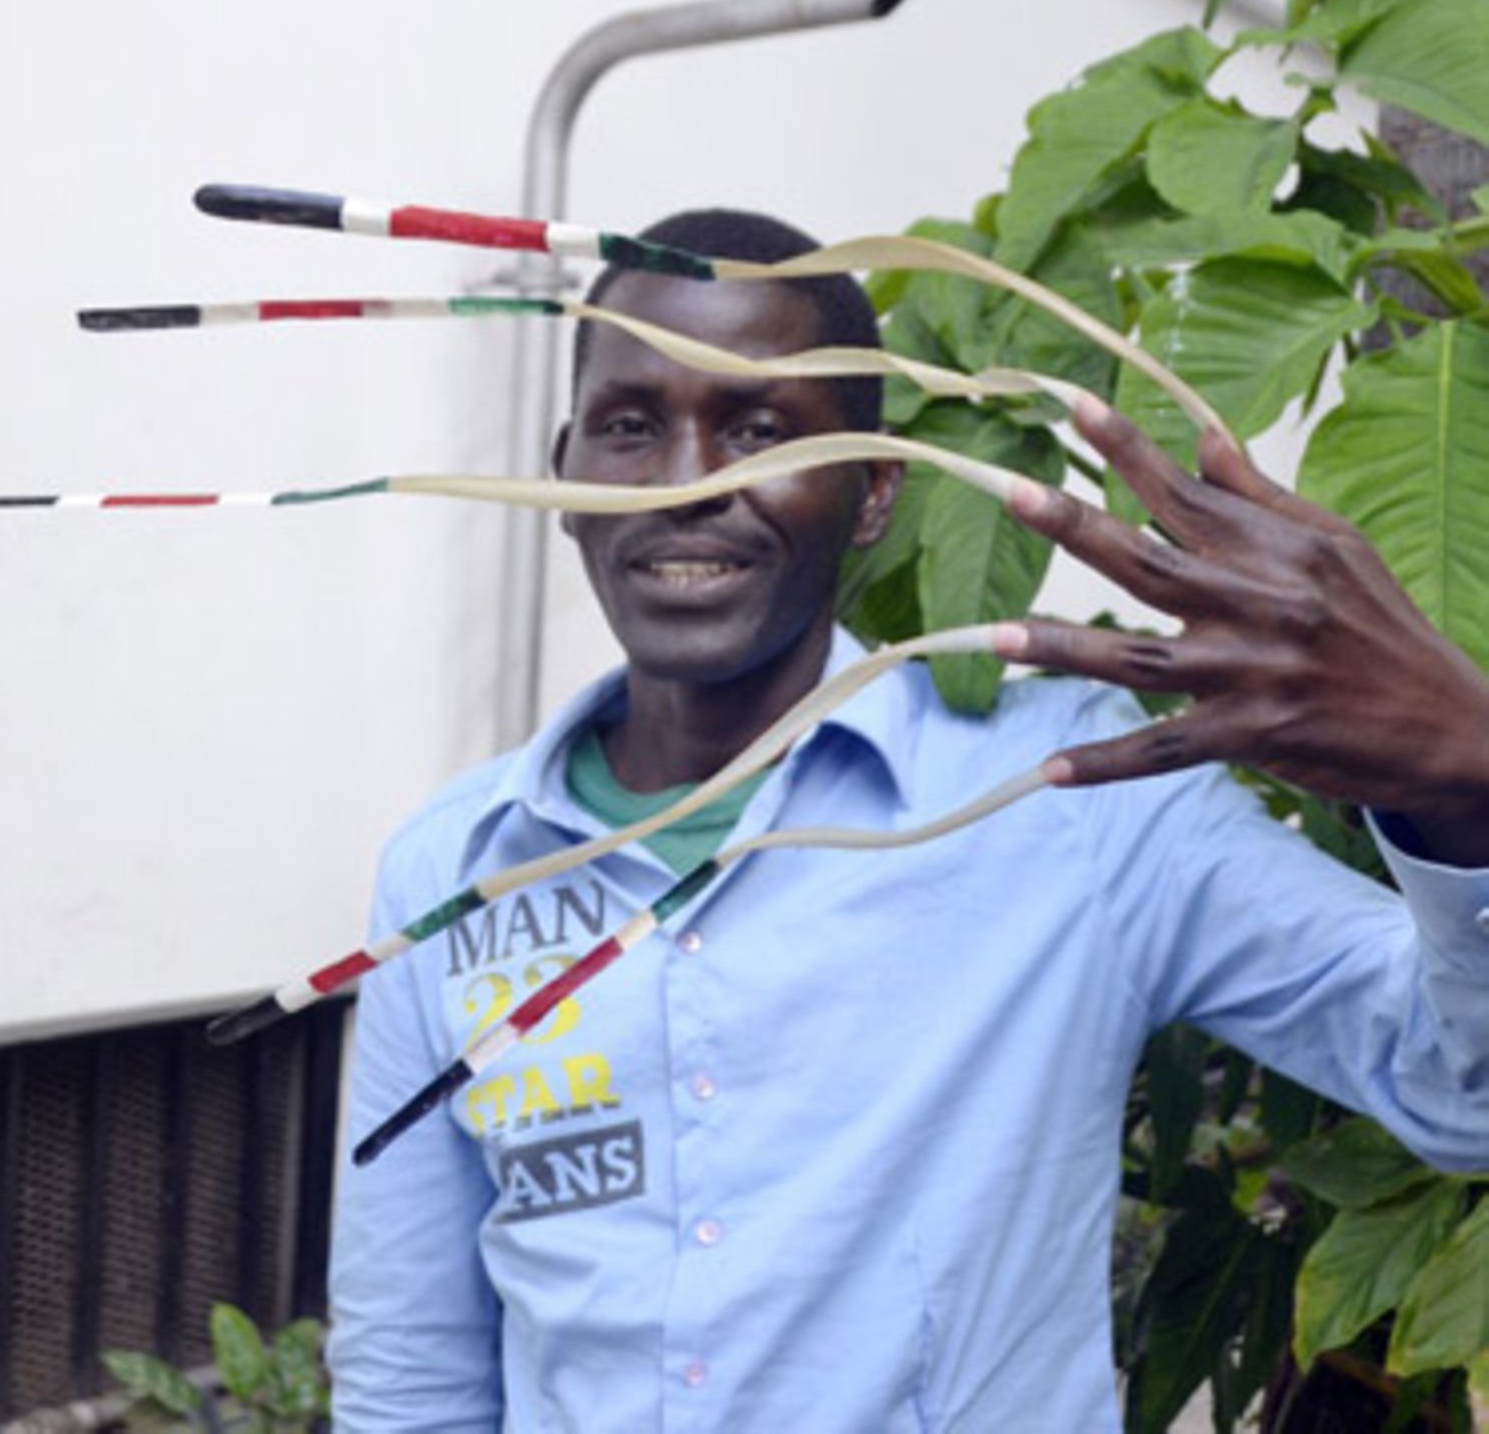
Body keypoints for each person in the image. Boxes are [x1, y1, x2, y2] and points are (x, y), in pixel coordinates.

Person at [327, 209, 1489, 1432]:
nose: (689, 483)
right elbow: (414, 1382)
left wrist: (1461, 785)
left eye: (759, 429)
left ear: (875, 491)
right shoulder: (450, 872)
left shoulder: (1081, 796)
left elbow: (1459, 1094)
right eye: (630, 427)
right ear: (562, 474)